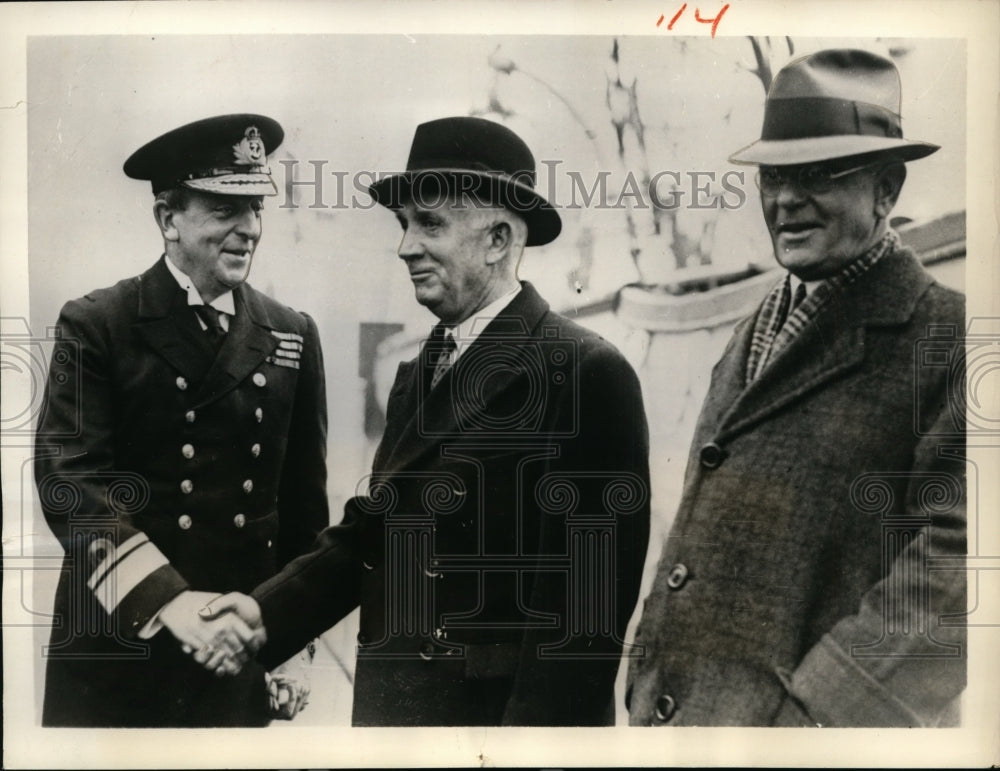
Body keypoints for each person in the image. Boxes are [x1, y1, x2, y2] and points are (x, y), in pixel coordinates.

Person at [200, 116, 651, 726]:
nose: (405, 245)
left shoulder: (585, 372)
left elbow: (582, 629)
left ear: (497, 239)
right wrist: (263, 614)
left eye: (430, 223)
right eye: (404, 223)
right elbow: (372, 531)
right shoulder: (419, 372)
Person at [626, 49, 966, 727]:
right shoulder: (750, 334)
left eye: (819, 175)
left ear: (887, 190)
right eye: (774, 176)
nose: (785, 200)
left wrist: (819, 715)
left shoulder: (948, 334)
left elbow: (960, 571)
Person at [34, 114, 328, 726]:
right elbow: (71, 482)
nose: (249, 229)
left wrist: (292, 644)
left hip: (233, 646)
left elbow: (302, 508)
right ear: (169, 219)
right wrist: (169, 601)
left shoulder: (291, 333)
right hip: (118, 647)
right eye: (225, 208)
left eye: (256, 209)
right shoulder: (100, 323)